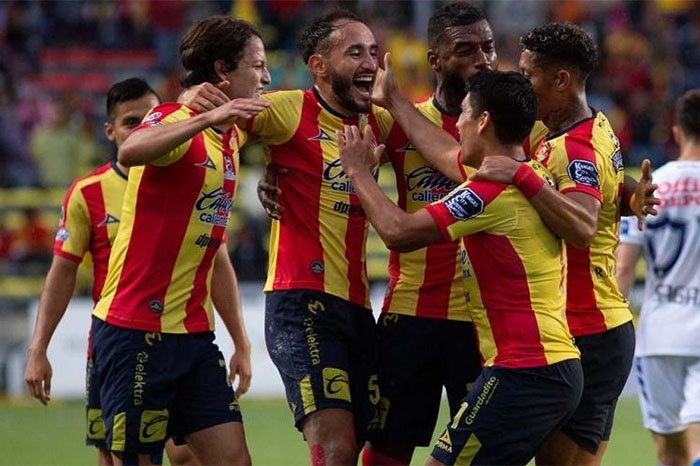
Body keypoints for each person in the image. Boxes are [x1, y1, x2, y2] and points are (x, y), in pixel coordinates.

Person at [371, 22, 659, 465]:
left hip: (584, 330)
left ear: (560, 80)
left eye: (528, 74)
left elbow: (582, 224)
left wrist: (522, 175)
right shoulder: (585, 129)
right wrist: (627, 198)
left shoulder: (570, 148)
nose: (521, 81)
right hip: (582, 335)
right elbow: (454, 159)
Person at [339, 69, 583, 466]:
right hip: (549, 367)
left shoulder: (491, 191)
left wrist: (357, 171)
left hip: (525, 371)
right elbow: (445, 153)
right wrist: (396, 101)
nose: (458, 126)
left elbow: (398, 231)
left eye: (465, 114)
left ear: (483, 122)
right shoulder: (527, 175)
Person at [183, 9, 383, 464]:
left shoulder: (379, 123)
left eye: (374, 52)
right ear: (319, 65)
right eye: (355, 52)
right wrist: (192, 95)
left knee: (361, 447)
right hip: (302, 302)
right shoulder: (288, 109)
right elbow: (218, 115)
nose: (369, 62)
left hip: (358, 306)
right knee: (337, 448)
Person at [90, 16, 269, 465]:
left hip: (193, 338)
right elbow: (131, 149)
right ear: (223, 70)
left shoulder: (230, 137)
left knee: (235, 461)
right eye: (257, 66)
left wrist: (241, 341)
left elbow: (216, 252)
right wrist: (205, 113)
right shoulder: (176, 117)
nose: (266, 77)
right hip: (134, 331)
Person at [617, 89, 700, 466]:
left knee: (670, 453)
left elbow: (623, 267)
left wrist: (613, 335)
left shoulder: (652, 185)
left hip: (659, 334)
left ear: (677, 132)